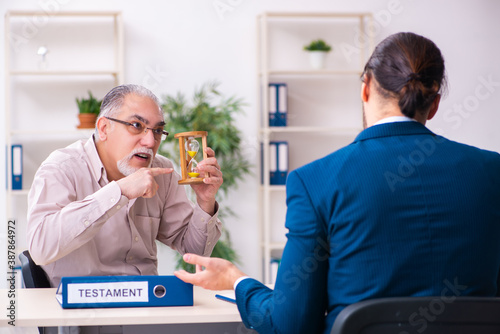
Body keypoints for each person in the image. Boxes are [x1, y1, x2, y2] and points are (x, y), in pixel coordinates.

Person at [174, 32, 500, 334]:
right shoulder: (491, 171)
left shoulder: (316, 181)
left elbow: (291, 324)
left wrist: (236, 280)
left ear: (366, 88)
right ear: (435, 103)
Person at [27, 84, 223, 288]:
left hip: (145, 306)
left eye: (157, 130)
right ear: (104, 128)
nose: (150, 141)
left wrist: (205, 202)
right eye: (136, 125)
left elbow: (195, 252)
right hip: (80, 307)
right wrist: (119, 192)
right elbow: (41, 249)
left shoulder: (161, 171)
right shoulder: (61, 168)